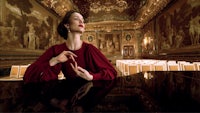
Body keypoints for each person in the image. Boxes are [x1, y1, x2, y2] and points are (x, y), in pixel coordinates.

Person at [23, 10, 117, 83]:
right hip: (68, 97)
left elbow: (112, 72)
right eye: (76, 18)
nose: (81, 21)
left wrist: (91, 77)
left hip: (90, 95)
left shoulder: (89, 49)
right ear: (67, 25)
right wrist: (55, 60)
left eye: (83, 20)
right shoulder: (56, 50)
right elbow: (29, 75)